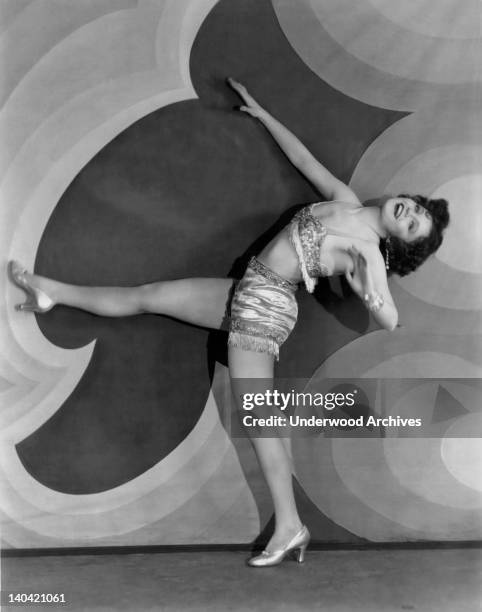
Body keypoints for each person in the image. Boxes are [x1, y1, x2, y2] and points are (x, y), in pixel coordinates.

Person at [7, 78, 449, 567]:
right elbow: (304, 161)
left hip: (264, 309)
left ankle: (290, 525)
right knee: (149, 297)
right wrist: (263, 115)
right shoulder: (346, 201)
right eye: (415, 207)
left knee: (260, 421)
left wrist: (371, 290)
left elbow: (390, 320)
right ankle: (51, 293)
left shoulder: (366, 250)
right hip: (247, 291)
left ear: (399, 242)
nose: (408, 211)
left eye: (412, 224)